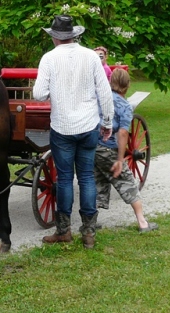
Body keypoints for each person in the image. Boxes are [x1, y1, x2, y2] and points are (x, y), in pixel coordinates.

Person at [33, 15, 113, 248]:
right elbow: (105, 92)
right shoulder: (90, 56)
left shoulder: (49, 58)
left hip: (62, 126)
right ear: (74, 34)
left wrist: (53, 91)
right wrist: (107, 122)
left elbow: (38, 94)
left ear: (55, 37)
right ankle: (88, 233)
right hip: (88, 125)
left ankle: (63, 230)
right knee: (87, 177)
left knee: (65, 178)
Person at [94, 69, 158, 233]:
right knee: (127, 181)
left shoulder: (100, 98)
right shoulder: (124, 106)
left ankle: (90, 223)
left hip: (92, 146)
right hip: (108, 148)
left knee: (97, 183)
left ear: (110, 82)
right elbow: (123, 133)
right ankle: (143, 222)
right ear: (128, 85)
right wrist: (120, 159)